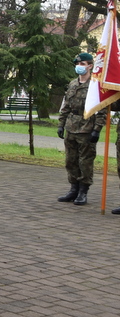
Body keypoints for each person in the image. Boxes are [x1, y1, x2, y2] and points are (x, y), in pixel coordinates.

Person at [57, 52, 105, 206]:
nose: (79, 67)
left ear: (90, 66)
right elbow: (66, 107)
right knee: (70, 160)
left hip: (86, 127)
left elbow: (101, 109)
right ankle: (73, 189)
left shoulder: (95, 85)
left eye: (82, 64)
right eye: (77, 64)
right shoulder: (72, 84)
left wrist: (97, 129)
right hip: (71, 127)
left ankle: (83, 191)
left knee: (85, 162)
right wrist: (61, 124)